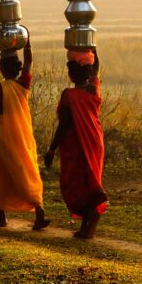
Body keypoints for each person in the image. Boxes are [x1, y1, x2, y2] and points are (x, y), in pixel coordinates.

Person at [0, 34, 50, 230]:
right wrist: (27, 43)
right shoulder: (23, 85)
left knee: (1, 174)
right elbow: (29, 63)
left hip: (1, 138)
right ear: (16, 68)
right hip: (22, 136)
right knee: (25, 170)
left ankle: (2, 215)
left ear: (1, 69)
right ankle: (38, 211)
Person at [45, 47, 108, 239]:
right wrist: (93, 48)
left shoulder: (69, 96)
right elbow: (96, 68)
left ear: (73, 74)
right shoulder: (92, 89)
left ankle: (90, 221)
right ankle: (86, 227)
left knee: (76, 183)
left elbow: (64, 125)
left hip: (78, 144)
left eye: (71, 71)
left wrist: (52, 148)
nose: (70, 74)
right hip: (94, 141)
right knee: (89, 179)